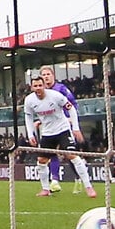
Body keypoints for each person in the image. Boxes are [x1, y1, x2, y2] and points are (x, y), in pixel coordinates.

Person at [23, 74, 95, 198]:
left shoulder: (55, 96)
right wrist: (30, 134)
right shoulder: (29, 100)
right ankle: (45, 189)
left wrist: (75, 128)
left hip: (63, 130)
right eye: (35, 86)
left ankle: (88, 187)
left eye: (40, 85)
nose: (38, 88)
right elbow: (28, 117)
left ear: (44, 86)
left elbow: (71, 109)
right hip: (47, 133)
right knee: (41, 160)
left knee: (72, 155)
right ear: (32, 87)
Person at [38, 65, 85, 194]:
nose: (46, 77)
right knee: (51, 152)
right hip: (50, 127)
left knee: (68, 154)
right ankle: (54, 181)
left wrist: (71, 120)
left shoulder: (61, 89)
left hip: (64, 125)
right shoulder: (41, 93)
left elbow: (73, 104)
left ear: (53, 76)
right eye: (43, 75)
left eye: (48, 74)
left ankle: (78, 178)